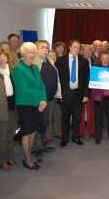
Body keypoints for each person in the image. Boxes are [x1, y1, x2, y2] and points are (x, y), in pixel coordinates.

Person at [13, 42, 47, 170]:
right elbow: (24, 90)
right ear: (23, 54)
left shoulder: (35, 68)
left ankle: (29, 156)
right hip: (26, 105)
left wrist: (43, 100)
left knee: (34, 131)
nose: (31, 55)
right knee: (27, 133)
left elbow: (41, 85)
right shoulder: (18, 69)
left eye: (33, 52)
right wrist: (38, 102)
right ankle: (27, 160)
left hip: (37, 104)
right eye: (28, 52)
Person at [55, 40, 90, 147]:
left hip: (78, 94)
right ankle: (65, 138)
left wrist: (85, 95)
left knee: (76, 118)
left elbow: (86, 80)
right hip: (65, 93)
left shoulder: (84, 61)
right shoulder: (61, 60)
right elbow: (58, 78)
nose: (77, 49)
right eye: (75, 47)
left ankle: (75, 137)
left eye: (79, 48)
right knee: (65, 118)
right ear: (70, 47)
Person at [31, 40, 58, 158]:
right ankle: (36, 148)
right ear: (36, 50)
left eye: (47, 47)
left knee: (45, 123)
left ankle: (43, 145)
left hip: (50, 98)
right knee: (38, 123)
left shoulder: (49, 61)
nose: (45, 50)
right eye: (42, 47)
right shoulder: (34, 63)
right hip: (40, 99)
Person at [91, 50, 109, 144]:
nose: (105, 60)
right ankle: (98, 137)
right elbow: (91, 82)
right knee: (98, 117)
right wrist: (92, 85)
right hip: (97, 96)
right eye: (104, 58)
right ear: (100, 58)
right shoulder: (95, 69)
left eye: (107, 58)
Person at [78, 44, 98, 139]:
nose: (87, 51)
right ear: (81, 51)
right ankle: (81, 131)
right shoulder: (77, 61)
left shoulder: (97, 62)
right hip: (80, 90)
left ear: (92, 51)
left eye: (89, 49)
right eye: (85, 49)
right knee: (80, 111)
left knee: (91, 111)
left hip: (93, 90)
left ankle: (91, 131)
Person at [45, 50, 63, 143]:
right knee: (49, 116)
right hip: (50, 95)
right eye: (50, 56)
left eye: (54, 56)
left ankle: (58, 132)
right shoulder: (46, 66)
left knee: (58, 114)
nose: (52, 57)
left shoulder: (59, 66)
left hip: (58, 95)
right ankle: (47, 136)